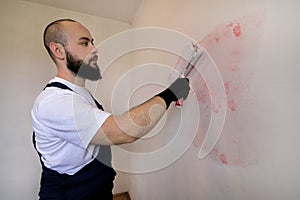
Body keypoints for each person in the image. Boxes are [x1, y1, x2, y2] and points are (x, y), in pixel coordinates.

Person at [31, 18, 190, 200]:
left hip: (96, 189)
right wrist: (170, 94)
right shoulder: (54, 102)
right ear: (58, 50)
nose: (94, 49)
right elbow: (123, 131)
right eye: (84, 43)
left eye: (92, 42)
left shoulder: (80, 95)